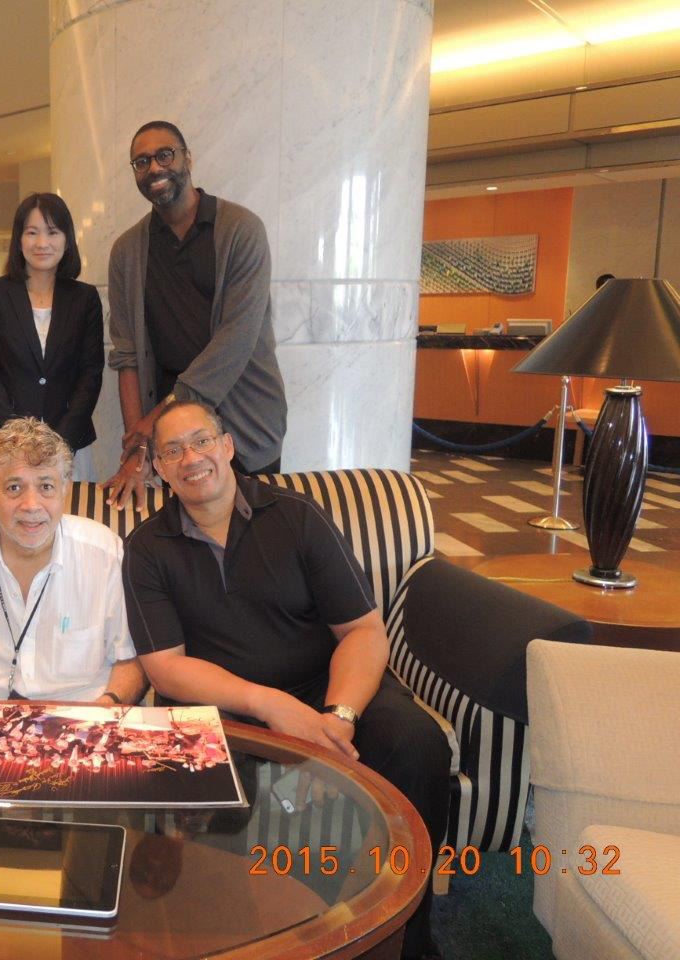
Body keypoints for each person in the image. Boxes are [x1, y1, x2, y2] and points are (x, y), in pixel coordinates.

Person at [121, 399, 450, 960]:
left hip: (330, 686)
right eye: (172, 450)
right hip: (225, 708)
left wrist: (336, 720)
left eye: (201, 441)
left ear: (228, 447)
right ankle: (243, 939)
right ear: (159, 468)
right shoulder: (147, 547)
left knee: (416, 742)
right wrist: (269, 704)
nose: (190, 458)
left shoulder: (297, 516)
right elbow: (165, 666)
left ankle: (407, 940)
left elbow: (363, 631)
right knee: (202, 781)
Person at [105, 120, 286, 506]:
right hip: (172, 438)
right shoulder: (127, 251)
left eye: (164, 155)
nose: (154, 167)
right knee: (182, 534)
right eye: (141, 161)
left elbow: (236, 340)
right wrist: (139, 447)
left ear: (188, 158)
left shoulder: (242, 230)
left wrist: (156, 418)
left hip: (246, 423)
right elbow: (127, 356)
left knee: (254, 532)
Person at [0, 417, 145, 705]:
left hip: (82, 711)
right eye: (14, 488)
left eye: (46, 486)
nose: (32, 505)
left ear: (65, 488)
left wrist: (107, 706)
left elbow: (130, 659)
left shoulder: (105, 553)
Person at [0, 192, 104, 482]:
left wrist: (59, 444)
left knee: (71, 511)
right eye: (32, 232)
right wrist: (18, 442)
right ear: (19, 239)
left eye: (52, 232)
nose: (42, 243)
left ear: (67, 239)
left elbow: (90, 375)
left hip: (69, 444)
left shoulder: (85, 298)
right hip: (3, 444)